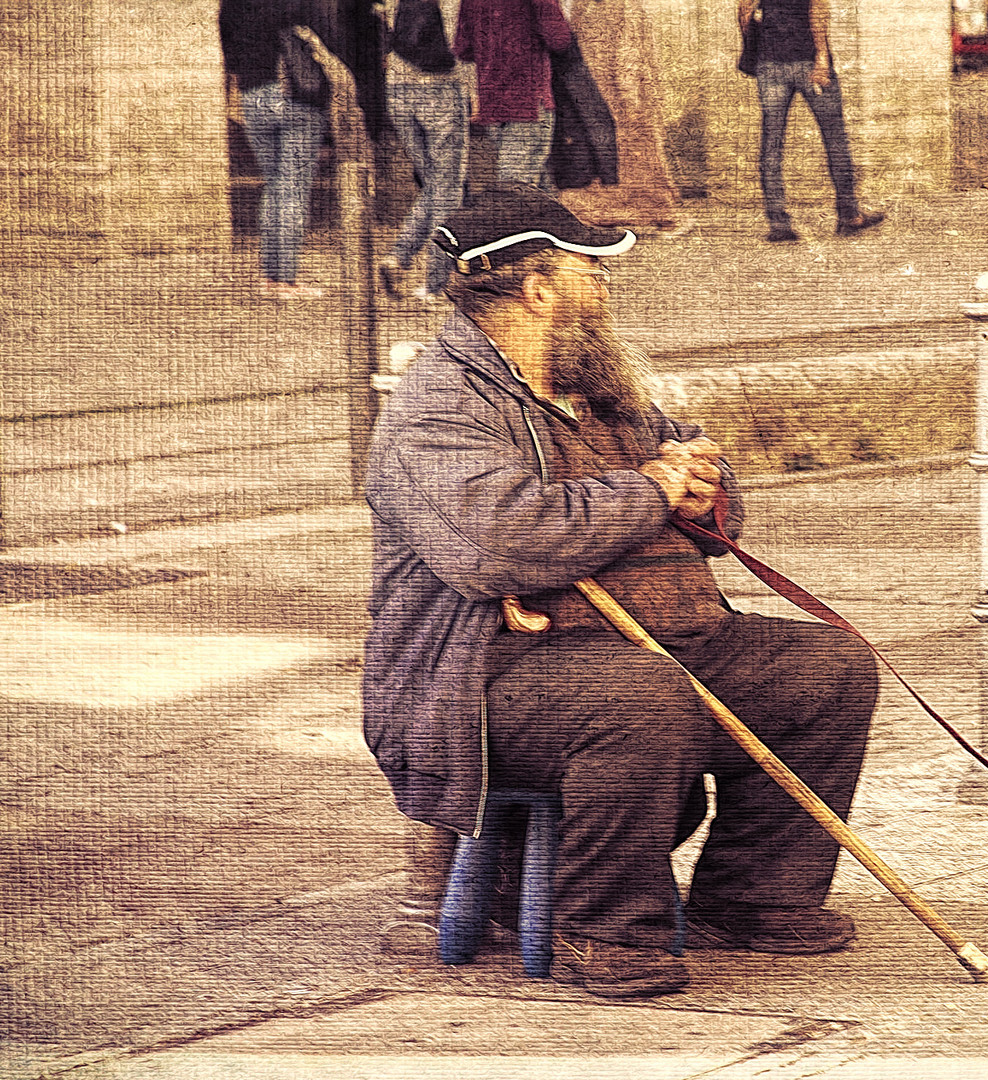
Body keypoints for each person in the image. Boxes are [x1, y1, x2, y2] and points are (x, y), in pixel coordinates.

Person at [361, 184, 879, 999]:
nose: (604, 288)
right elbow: (501, 541)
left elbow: (689, 469)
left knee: (824, 667)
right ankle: (605, 930)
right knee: (639, 696)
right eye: (589, 271)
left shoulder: (595, 380)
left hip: (653, 631)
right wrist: (648, 496)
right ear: (538, 289)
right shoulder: (439, 406)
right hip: (477, 675)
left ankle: (753, 901)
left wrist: (705, 493)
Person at [219, 0, 350, 298]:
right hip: (295, 97)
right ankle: (286, 280)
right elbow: (329, 34)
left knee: (275, 188)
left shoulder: (231, 5)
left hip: (252, 98)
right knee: (292, 191)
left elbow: (229, 52)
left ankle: (270, 278)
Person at [738, 0, 887, 243]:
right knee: (835, 139)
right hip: (808, 61)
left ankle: (778, 224)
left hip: (770, 65)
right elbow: (818, 9)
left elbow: (745, 13)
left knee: (771, 145)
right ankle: (849, 215)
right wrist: (821, 56)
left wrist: (761, 46)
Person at [555, 0, 696, 236]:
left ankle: (597, 214)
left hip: (591, 93)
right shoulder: (624, 5)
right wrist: (634, 96)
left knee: (599, 155)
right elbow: (630, 52)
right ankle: (659, 214)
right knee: (639, 157)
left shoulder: (582, 6)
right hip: (622, 98)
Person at [377, 0, 474, 304]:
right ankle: (438, 283)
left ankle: (400, 257)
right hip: (440, 89)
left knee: (435, 187)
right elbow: (461, 46)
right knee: (447, 190)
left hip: (396, 89)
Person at [455, 0, 573, 184]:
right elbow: (559, 40)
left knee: (533, 182)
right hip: (529, 100)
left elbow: (463, 49)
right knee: (516, 185)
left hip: (492, 100)